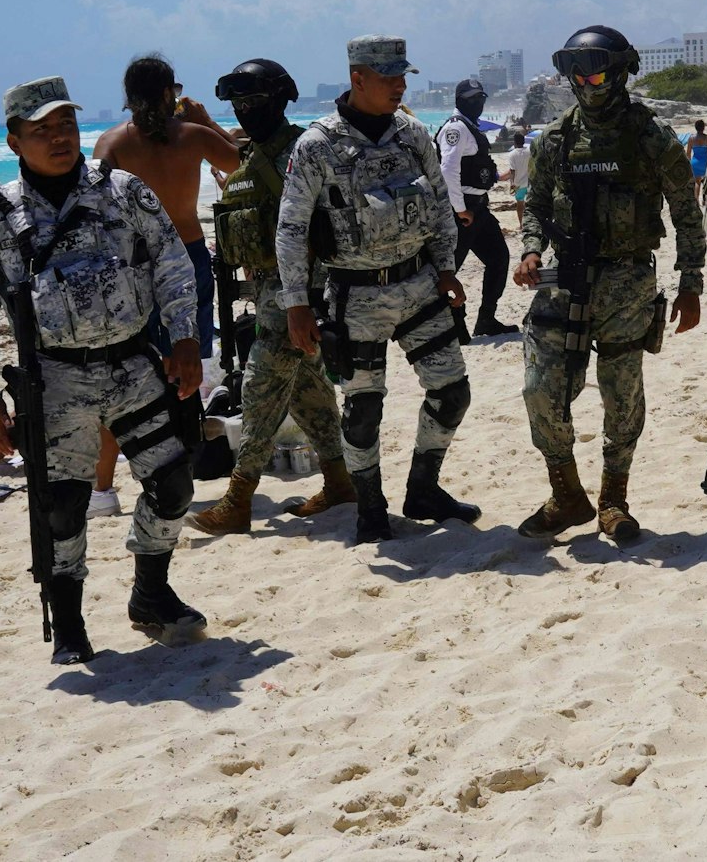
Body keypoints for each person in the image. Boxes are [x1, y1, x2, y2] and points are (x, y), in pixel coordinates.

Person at [0, 75, 206, 664]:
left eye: (66, 123)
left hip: (133, 365)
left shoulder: (123, 190)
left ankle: (150, 592)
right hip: (56, 381)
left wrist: (185, 337)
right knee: (62, 507)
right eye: (42, 130)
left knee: (172, 484)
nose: (59, 137)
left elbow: (174, 262)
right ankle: (68, 623)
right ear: (15, 142)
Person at [277, 35, 481, 544]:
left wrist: (446, 268)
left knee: (452, 392)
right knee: (364, 410)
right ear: (357, 78)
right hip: (355, 298)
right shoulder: (317, 145)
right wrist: (297, 305)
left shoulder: (412, 133)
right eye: (388, 77)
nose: (398, 85)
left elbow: (438, 204)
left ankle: (423, 489)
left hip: (418, 285)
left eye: (403, 76)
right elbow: (291, 229)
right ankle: (370, 508)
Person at [512, 26, 704, 544]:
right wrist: (531, 248)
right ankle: (567, 494)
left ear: (618, 72)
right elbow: (534, 204)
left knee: (622, 397)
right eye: (574, 71)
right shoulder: (556, 138)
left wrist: (691, 282)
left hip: (626, 283)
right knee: (540, 390)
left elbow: (687, 211)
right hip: (564, 279)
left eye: (593, 70)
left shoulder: (650, 136)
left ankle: (613, 501)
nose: (583, 81)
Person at [188, 58, 354, 534]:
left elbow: (326, 226)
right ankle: (341, 481)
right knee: (308, 392)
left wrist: (309, 299)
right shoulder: (252, 155)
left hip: (297, 292)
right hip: (268, 289)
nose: (245, 110)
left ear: (281, 100)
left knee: (259, 387)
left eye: (255, 101)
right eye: (238, 103)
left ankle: (239, 498)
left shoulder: (302, 152)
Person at [91, 56, 242, 517]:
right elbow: (244, 165)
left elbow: (95, 216)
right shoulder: (192, 136)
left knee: (131, 371)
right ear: (167, 93)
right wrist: (206, 122)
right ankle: (175, 470)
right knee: (187, 368)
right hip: (189, 257)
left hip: (135, 265)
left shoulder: (111, 143)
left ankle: (103, 490)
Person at [437, 78, 520, 337]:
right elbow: (447, 170)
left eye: (481, 97)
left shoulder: (471, 127)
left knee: (499, 258)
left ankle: (486, 319)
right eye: (473, 98)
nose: (478, 103)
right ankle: (453, 324)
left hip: (479, 209)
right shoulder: (457, 129)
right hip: (461, 212)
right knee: (448, 270)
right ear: (460, 100)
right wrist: (460, 209)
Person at [508, 132, 531, 227]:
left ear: (514, 142)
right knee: (531, 204)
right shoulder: (529, 151)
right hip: (530, 182)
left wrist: (512, 183)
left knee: (520, 204)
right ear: (524, 141)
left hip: (518, 184)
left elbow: (512, 171)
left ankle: (521, 224)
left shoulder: (512, 154)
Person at [687, 119, 707, 201]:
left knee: (697, 182)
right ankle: (705, 200)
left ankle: (696, 201)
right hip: (705, 162)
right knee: (706, 182)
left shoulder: (691, 138)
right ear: (704, 127)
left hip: (695, 162)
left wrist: (689, 164)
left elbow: (688, 153)